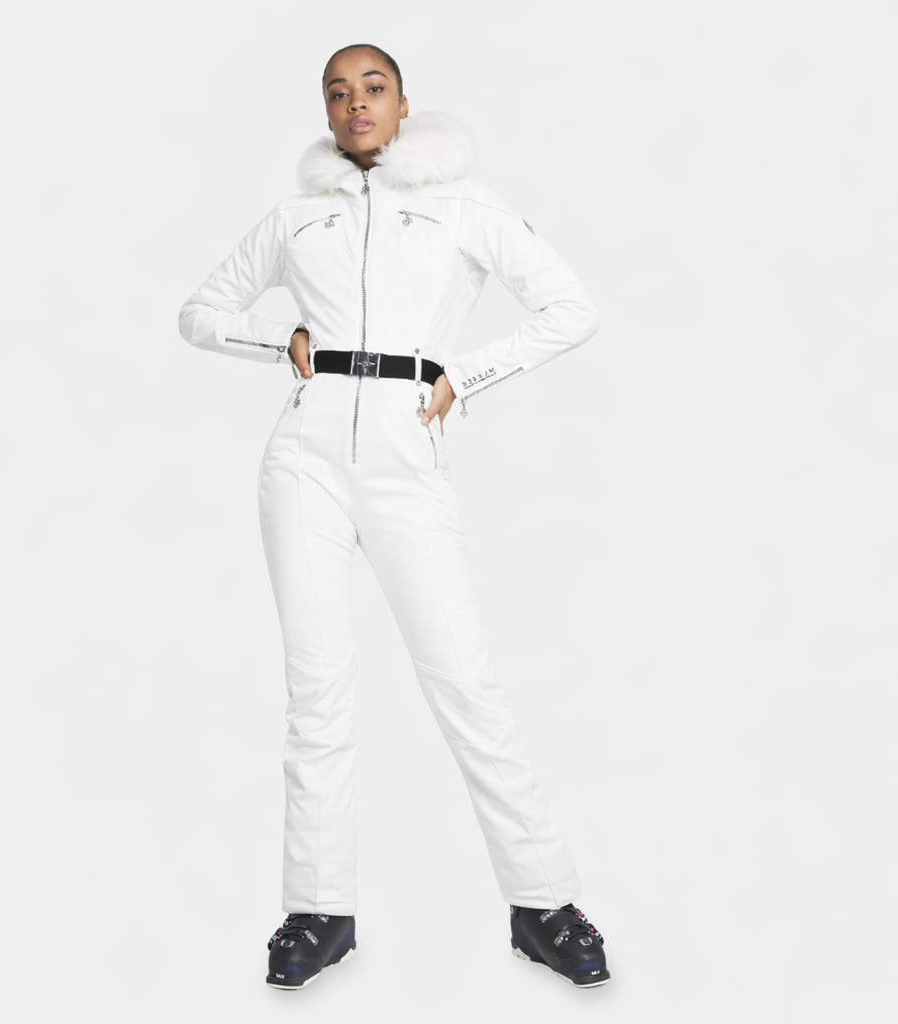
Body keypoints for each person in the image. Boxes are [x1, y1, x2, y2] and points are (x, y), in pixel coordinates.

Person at [177, 43, 610, 992]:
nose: (356, 104)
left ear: (404, 103)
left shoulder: (463, 206)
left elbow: (569, 307)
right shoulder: (297, 218)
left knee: (466, 684)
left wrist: (466, 375)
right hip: (304, 460)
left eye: (373, 88)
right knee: (317, 692)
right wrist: (277, 337)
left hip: (408, 459)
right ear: (326, 113)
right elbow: (199, 311)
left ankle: (543, 903)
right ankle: (317, 911)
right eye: (338, 93)